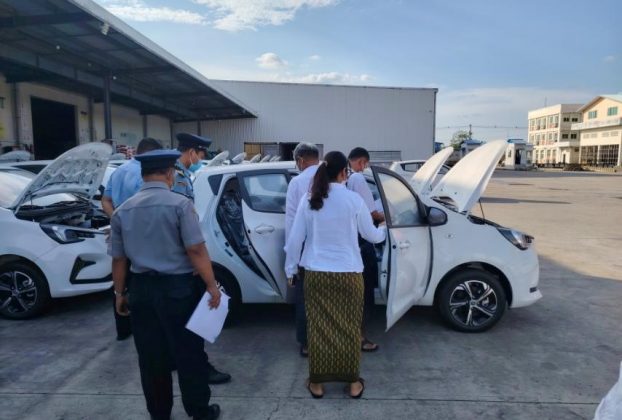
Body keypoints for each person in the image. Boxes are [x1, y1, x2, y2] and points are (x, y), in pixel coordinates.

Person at [111, 149, 222, 420]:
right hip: (178, 291)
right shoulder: (180, 205)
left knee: (151, 358)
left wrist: (119, 293)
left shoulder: (123, 211)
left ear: (143, 175)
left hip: (141, 290)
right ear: (170, 173)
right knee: (189, 353)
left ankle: (159, 413)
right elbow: (196, 249)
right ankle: (199, 410)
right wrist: (211, 285)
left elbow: (119, 259)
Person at [284, 151, 386, 399]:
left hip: (316, 274)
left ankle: (317, 384)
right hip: (349, 274)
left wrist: (291, 269)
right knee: (350, 329)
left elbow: (295, 239)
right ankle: (353, 383)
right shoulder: (354, 200)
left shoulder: (310, 199)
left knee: (318, 329)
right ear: (343, 172)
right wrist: (385, 229)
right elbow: (372, 236)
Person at [172, 132, 232, 385]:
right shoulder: (178, 177)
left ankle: (177, 361)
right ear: (191, 152)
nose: (200, 159)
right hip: (182, 259)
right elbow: (182, 224)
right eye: (200, 154)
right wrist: (197, 264)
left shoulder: (179, 174)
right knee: (192, 324)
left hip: (170, 262)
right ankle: (199, 368)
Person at [102, 137, 163, 341]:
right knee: (141, 280)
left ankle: (123, 328)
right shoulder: (146, 174)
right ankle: (144, 326)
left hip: (121, 231)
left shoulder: (119, 171)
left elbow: (105, 200)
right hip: (142, 235)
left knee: (120, 278)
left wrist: (117, 219)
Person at [347, 147, 385, 353]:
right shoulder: (359, 179)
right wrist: (389, 218)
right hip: (362, 242)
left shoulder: (346, 179)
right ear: (361, 161)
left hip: (349, 242)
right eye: (365, 164)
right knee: (364, 292)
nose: (365, 167)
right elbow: (372, 214)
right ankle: (359, 337)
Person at [284, 142, 321, 358]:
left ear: (300, 160)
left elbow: (291, 222)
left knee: (305, 299)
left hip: (305, 252)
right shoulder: (333, 179)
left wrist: (291, 262)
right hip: (330, 251)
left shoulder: (297, 183)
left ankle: (307, 343)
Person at [172, 132, 211, 200]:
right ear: (192, 153)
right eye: (201, 157)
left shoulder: (181, 172)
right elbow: (179, 204)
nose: (200, 161)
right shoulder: (178, 176)